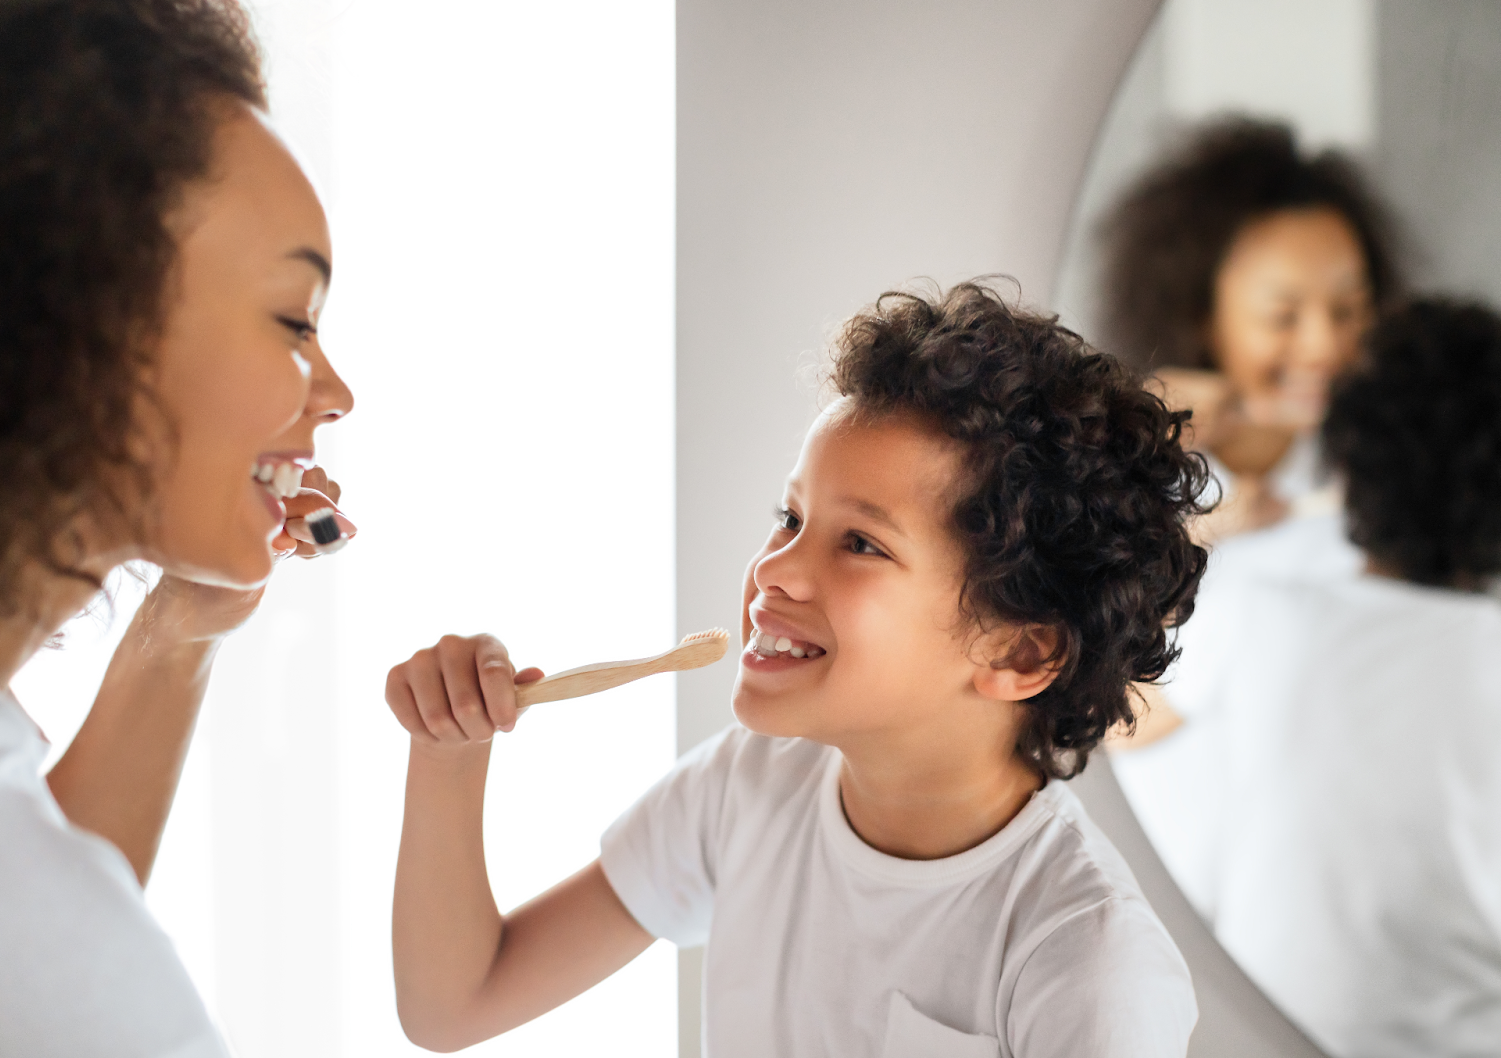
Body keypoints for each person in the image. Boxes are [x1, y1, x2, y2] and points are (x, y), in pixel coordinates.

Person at [386, 282, 1208, 1056]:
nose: (774, 568)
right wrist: (449, 749)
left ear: (1020, 650)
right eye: (791, 517)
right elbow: (456, 1004)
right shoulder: (749, 788)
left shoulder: (1089, 960)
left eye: (861, 543)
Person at [0, 2, 355, 1055]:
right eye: (294, 319)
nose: (336, 392)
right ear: (73, 324)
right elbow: (26, 948)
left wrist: (185, 624)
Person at [1115, 299, 1501, 1057]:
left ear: (1348, 461)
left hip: (1249, 1029)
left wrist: (1169, 475)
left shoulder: (1260, 617)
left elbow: (1111, 712)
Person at [1099, 117, 1402, 542]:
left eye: (1348, 310)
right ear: (1200, 317)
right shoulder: (1127, 475)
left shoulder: (1395, 473)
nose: (1325, 347)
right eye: (1283, 317)